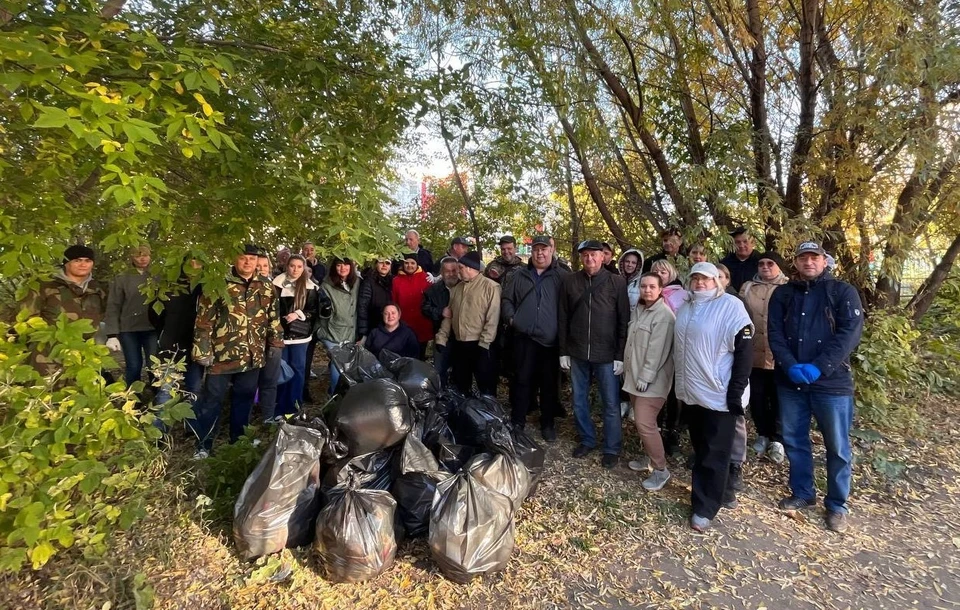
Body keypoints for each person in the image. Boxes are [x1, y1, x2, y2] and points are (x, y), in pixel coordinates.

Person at [767, 242, 864, 533]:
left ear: (825, 261)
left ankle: (836, 505)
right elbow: (774, 332)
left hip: (831, 384)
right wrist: (788, 364)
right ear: (795, 263)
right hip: (791, 381)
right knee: (795, 440)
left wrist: (820, 366)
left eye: (814, 257)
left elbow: (849, 333)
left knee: (837, 446)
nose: (808, 262)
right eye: (802, 258)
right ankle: (803, 493)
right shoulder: (784, 294)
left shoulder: (841, 292)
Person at [673, 262, 753, 531]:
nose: (699, 283)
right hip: (693, 392)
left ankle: (706, 507)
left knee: (714, 454)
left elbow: (744, 352)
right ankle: (707, 494)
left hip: (719, 394)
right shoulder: (687, 307)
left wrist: (736, 390)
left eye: (705, 278)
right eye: (695, 278)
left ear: (716, 281)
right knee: (701, 449)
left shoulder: (731, 306)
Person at [191, 245, 284, 458]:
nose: (248, 262)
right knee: (213, 401)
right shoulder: (217, 285)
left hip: (253, 355)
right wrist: (202, 351)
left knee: (245, 397)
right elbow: (203, 321)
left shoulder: (266, 286)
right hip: (221, 356)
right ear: (234, 259)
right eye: (243, 258)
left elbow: (273, 318)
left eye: (252, 259)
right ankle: (204, 445)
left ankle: (239, 440)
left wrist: (275, 344)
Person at [559, 240, 629, 468]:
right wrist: (564, 351)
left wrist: (620, 355)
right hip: (578, 351)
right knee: (579, 401)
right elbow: (563, 318)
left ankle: (611, 447)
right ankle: (587, 439)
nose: (590, 259)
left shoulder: (616, 282)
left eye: (594, 255)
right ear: (581, 258)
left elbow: (623, 320)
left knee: (610, 403)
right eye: (586, 255)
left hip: (607, 354)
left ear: (603, 257)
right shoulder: (570, 281)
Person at [501, 235, 566, 441]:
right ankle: (518, 420)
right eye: (536, 249)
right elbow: (506, 299)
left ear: (551, 251)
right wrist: (512, 319)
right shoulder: (519, 275)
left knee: (548, 383)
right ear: (531, 252)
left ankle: (547, 423)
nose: (540, 253)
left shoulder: (561, 276)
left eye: (544, 249)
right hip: (524, 337)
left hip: (550, 340)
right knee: (521, 380)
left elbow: (569, 305)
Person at [623, 272, 676, 490]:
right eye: (644, 286)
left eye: (652, 287)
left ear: (660, 289)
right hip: (634, 377)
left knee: (645, 423)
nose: (647, 290)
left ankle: (661, 469)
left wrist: (646, 376)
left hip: (651, 381)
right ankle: (649, 457)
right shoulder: (640, 310)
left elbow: (657, 351)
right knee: (644, 424)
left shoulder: (663, 315)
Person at [20, 244, 107, 374]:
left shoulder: (97, 288)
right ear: (66, 263)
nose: (83, 264)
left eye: (87, 261)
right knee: (47, 391)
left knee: (81, 391)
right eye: (77, 260)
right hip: (48, 353)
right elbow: (25, 318)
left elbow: (106, 315)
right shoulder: (44, 286)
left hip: (84, 352)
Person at [740, 252, 789, 463]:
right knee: (757, 397)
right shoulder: (748, 287)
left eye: (771, 263)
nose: (765, 267)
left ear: (779, 266)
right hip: (753, 352)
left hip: (780, 354)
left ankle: (778, 439)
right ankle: (762, 433)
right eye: (761, 263)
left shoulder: (788, 288)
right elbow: (741, 318)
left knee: (779, 397)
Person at [435, 251, 500, 396]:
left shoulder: (491, 287)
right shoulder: (457, 288)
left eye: (460, 268)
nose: (458, 271)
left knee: (486, 386)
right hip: (460, 344)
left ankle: (490, 415)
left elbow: (492, 319)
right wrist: (441, 338)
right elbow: (449, 315)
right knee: (461, 385)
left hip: (480, 345)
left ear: (470, 268)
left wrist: (485, 344)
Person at [273, 254, 325, 418]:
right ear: (287, 266)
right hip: (280, 334)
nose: (295, 269)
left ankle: (294, 407)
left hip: (301, 336)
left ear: (304, 269)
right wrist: (282, 319)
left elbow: (314, 311)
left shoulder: (311, 286)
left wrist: (298, 314)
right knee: (281, 370)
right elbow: (271, 309)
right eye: (292, 266)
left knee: (298, 370)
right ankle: (279, 407)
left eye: (299, 266)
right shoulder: (276, 284)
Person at [151, 258, 203, 411]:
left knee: (194, 389)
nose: (194, 268)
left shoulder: (207, 288)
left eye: (198, 264)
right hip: (170, 344)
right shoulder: (168, 287)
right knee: (165, 390)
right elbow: (155, 315)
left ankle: (192, 429)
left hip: (197, 345)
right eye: (190, 264)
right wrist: (166, 331)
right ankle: (159, 431)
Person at [104, 244, 158, 387]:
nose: (142, 259)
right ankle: (133, 399)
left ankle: (159, 397)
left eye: (145, 255)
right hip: (129, 329)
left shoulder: (158, 276)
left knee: (155, 365)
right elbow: (113, 306)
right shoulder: (122, 278)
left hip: (152, 328)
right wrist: (112, 334)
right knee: (133, 365)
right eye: (138, 255)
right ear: (131, 257)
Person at [317, 256, 360, 395]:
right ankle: (334, 398)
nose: (343, 268)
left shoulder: (357, 282)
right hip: (333, 333)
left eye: (346, 264)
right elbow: (322, 312)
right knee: (338, 368)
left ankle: (344, 396)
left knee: (348, 367)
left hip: (352, 332)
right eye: (339, 265)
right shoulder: (326, 285)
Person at [422, 256, 459, 386]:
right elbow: (425, 308)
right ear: (441, 273)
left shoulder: (465, 287)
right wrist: (440, 312)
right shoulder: (432, 290)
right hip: (441, 337)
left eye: (454, 270)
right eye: (447, 271)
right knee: (440, 371)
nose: (451, 274)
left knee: (460, 372)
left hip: (462, 338)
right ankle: (441, 398)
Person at [392, 253, 433, 357]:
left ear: (417, 264)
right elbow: (394, 302)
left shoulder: (426, 278)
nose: (409, 265)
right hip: (404, 325)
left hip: (422, 324)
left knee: (420, 355)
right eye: (406, 263)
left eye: (412, 263)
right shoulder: (396, 281)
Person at [357, 256, 394, 343]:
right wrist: (363, 332)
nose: (384, 265)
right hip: (372, 327)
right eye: (381, 262)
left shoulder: (392, 281)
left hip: (388, 326)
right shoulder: (368, 281)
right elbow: (362, 308)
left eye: (387, 263)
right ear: (376, 264)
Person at [720, 227, 761, 292]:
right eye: (737, 242)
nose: (741, 245)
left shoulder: (761, 262)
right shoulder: (725, 263)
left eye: (745, 241)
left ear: (753, 243)